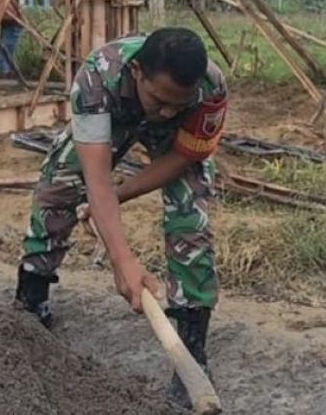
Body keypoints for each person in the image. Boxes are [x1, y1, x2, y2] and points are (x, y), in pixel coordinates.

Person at [14, 27, 227, 408]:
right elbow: (96, 179)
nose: (167, 111)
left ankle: (192, 351)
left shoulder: (209, 87)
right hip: (112, 115)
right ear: (137, 73)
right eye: (159, 100)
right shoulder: (98, 78)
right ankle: (30, 302)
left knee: (190, 219)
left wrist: (116, 198)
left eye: (178, 104)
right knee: (58, 185)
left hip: (175, 142)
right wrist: (122, 260)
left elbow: (182, 159)